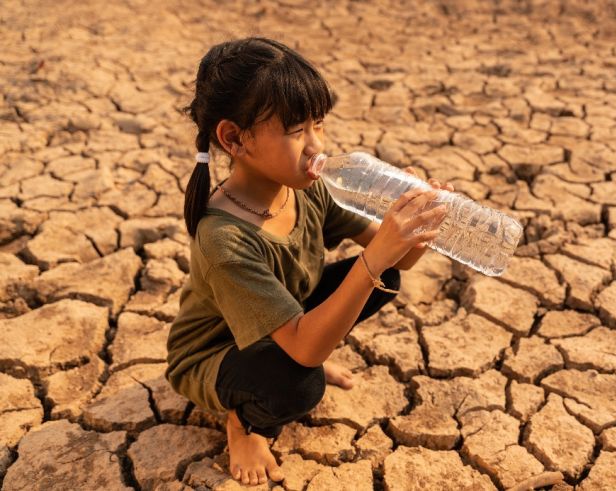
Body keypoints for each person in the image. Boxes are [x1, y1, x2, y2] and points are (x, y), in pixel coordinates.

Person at [165, 37, 452, 486]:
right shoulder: (223, 238)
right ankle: (244, 423)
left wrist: (418, 217)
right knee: (299, 384)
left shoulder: (305, 186)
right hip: (218, 354)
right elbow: (304, 348)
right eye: (297, 130)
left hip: (284, 325)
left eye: (319, 124)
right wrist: (308, 352)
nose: (316, 145)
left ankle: (291, 357)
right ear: (234, 138)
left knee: (385, 277)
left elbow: (399, 259)